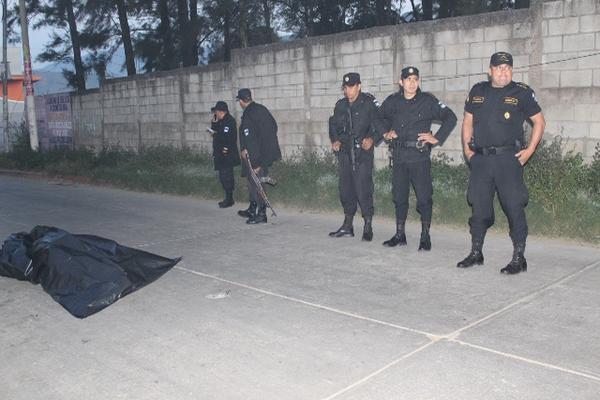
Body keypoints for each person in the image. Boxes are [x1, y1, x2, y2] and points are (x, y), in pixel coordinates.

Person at [457, 51, 545, 274]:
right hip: (481, 160)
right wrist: (468, 151)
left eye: (507, 67)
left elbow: (539, 122)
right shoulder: (478, 90)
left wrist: (530, 150)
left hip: (508, 160)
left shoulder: (521, 92)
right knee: (479, 207)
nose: (503, 71)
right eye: (498, 67)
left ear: (512, 70)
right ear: (490, 70)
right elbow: (467, 122)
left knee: (514, 206)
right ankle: (476, 252)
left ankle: (519, 257)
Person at [379, 66, 457, 250]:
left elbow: (450, 117)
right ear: (401, 82)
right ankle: (400, 235)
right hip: (399, 157)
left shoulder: (427, 101)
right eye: (408, 79)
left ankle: (425, 236)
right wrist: (385, 132)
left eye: (415, 79)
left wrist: (436, 138)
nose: (412, 83)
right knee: (399, 197)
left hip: (419, 157)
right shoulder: (392, 102)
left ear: (419, 81)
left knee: (424, 198)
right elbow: (377, 116)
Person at [328, 72, 387, 241]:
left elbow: (380, 125)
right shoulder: (340, 105)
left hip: (362, 153)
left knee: (363, 189)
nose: (348, 90)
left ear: (359, 86)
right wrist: (335, 140)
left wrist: (373, 139)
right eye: (345, 87)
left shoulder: (368, 103)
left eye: (351, 86)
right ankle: (348, 225)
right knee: (345, 189)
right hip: (345, 154)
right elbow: (333, 125)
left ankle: (367, 226)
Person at [236, 88, 281, 224]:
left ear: (242, 101)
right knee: (252, 183)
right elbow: (273, 126)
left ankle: (262, 214)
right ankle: (252, 208)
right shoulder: (260, 109)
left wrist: (256, 163)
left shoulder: (250, 114)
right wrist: (244, 148)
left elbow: (251, 140)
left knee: (258, 184)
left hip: (257, 157)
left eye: (239, 101)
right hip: (262, 153)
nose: (239, 103)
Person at [209, 101, 240, 208]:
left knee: (227, 177)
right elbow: (215, 132)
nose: (215, 113)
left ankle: (229, 199)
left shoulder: (229, 121)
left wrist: (216, 134)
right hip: (220, 154)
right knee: (223, 177)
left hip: (226, 154)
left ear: (221, 111)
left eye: (216, 111)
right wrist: (214, 123)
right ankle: (228, 198)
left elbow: (228, 138)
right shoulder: (220, 121)